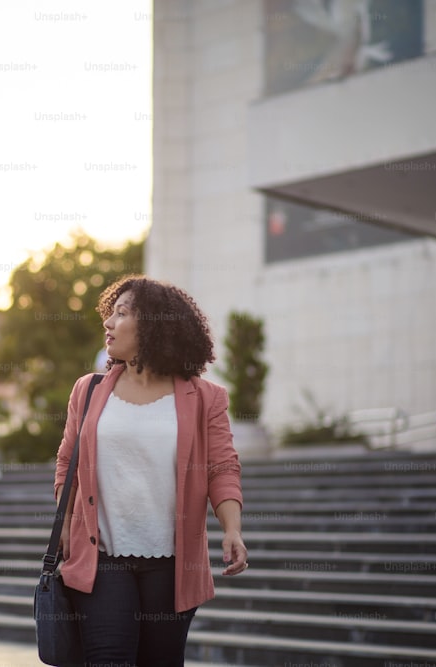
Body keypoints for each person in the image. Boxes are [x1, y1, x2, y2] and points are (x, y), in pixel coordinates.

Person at [54, 275, 248, 667]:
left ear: (154, 326)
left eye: (121, 314)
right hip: (101, 555)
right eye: (110, 313)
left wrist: (232, 529)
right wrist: (62, 527)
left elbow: (222, 467)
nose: (108, 323)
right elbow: (66, 463)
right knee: (108, 658)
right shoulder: (88, 390)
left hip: (172, 563)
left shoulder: (205, 398)